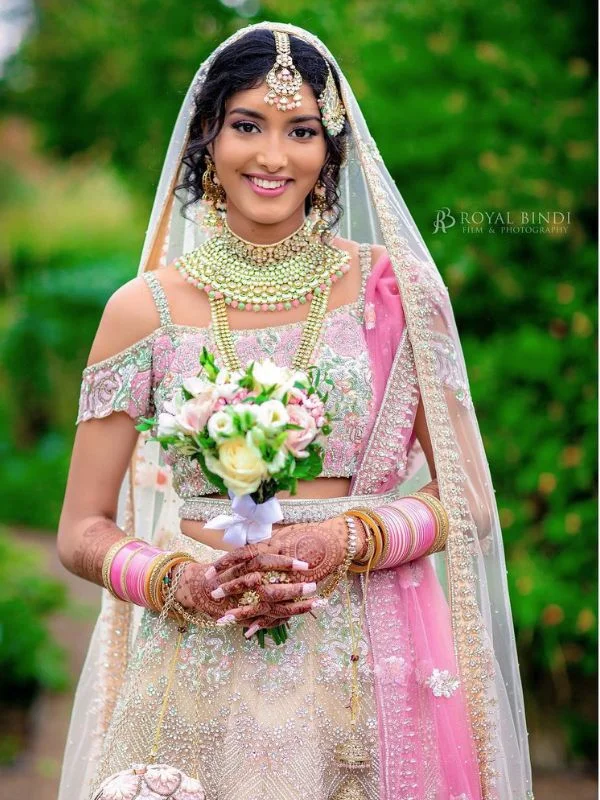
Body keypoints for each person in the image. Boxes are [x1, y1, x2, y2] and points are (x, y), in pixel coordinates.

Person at [56, 21, 534, 800]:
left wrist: (349, 536)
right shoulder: (141, 311)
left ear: (332, 145)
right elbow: (81, 529)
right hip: (198, 670)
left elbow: (471, 499)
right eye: (248, 125)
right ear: (207, 136)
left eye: (301, 131)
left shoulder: (398, 294)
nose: (274, 157)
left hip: (374, 668)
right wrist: (176, 582)